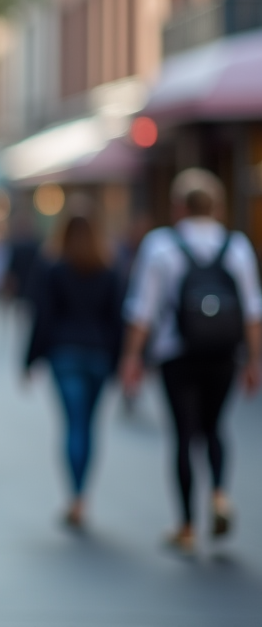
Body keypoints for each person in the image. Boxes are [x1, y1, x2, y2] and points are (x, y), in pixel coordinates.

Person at [121, 168, 262, 554]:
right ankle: (218, 494)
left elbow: (141, 310)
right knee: (215, 428)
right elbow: (252, 311)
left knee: (183, 435)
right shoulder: (237, 247)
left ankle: (185, 525)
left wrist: (132, 357)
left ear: (179, 207)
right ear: (216, 206)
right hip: (223, 354)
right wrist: (253, 360)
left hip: (176, 353)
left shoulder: (161, 246)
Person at [24, 214, 124, 530]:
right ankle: (82, 496)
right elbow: (118, 318)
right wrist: (121, 360)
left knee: (73, 426)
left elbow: (42, 317)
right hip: (98, 355)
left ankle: (75, 496)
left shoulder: (53, 268)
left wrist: (30, 359)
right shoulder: (109, 268)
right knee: (89, 426)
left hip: (65, 353)